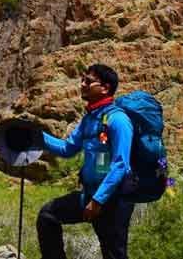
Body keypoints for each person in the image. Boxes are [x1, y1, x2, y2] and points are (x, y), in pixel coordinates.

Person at [35, 63, 135, 259]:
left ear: (105, 88)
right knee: (48, 215)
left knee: (113, 253)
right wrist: (37, 136)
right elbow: (67, 148)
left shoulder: (118, 120)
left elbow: (120, 164)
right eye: (82, 79)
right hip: (89, 196)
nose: (81, 84)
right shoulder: (89, 119)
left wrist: (98, 200)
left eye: (88, 81)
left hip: (113, 200)